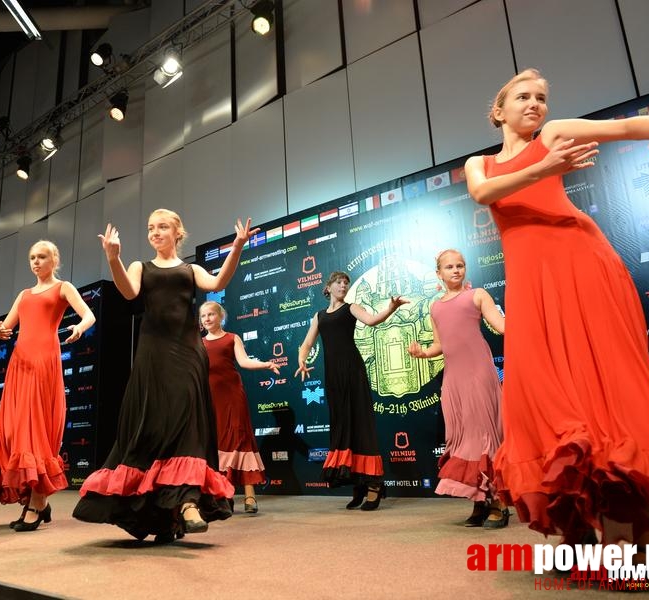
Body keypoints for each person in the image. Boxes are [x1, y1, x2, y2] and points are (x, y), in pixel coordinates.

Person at [464, 68, 649, 552]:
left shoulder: (553, 135)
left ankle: (637, 539)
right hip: (532, 287)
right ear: (498, 111)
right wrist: (545, 167)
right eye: (522, 96)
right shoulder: (482, 163)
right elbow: (483, 193)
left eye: (541, 97)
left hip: (582, 266)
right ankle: (577, 530)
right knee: (540, 396)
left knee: (605, 389)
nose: (534, 104)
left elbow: (618, 129)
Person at [73, 209, 256, 543]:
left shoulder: (190, 269)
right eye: (150, 228)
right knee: (152, 426)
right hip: (152, 356)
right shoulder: (140, 267)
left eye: (162, 227)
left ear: (177, 232)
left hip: (187, 354)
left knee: (187, 423)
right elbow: (128, 292)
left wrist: (238, 246)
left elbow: (218, 283)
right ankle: (161, 515)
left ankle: (187, 503)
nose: (154, 233)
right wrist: (114, 259)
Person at [0, 240, 96, 532]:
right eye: (32, 257)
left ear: (54, 260)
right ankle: (40, 505)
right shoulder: (23, 294)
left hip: (45, 360)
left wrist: (80, 328)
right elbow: (7, 326)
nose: (35, 262)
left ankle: (35, 505)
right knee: (16, 430)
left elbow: (89, 315)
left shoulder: (63, 288)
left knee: (37, 431)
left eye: (42, 256)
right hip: (19, 363)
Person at [408, 249, 508, 528]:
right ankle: (479, 500)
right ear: (438, 274)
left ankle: (499, 502)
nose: (456, 270)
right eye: (449, 267)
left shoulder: (477, 295)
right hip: (453, 380)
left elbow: (501, 326)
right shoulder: (435, 307)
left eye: (460, 265)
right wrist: (423, 353)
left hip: (479, 374)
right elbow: (440, 344)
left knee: (486, 436)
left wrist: (531, 319)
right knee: (462, 438)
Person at [294, 271, 407, 511]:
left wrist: (392, 308)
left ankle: (374, 487)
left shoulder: (351, 308)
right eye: (339, 282)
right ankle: (358, 486)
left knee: (360, 426)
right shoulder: (319, 315)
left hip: (353, 372)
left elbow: (373, 320)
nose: (343, 285)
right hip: (334, 378)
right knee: (342, 427)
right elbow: (305, 345)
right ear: (328, 287)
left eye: (346, 283)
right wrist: (301, 360)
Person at [199, 300, 278, 513]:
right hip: (210, 400)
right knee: (216, 444)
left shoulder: (232, 338)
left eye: (211, 315)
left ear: (220, 316)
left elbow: (243, 362)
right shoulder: (199, 344)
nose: (207, 319)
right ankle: (222, 495)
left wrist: (265, 364)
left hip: (233, 397)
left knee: (240, 440)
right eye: (203, 316)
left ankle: (250, 497)